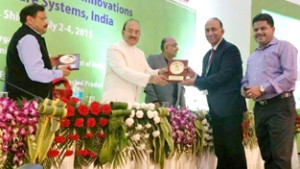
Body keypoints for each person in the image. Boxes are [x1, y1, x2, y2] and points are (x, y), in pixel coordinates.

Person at [182, 18, 247, 169]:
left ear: (222, 31)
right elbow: (208, 81)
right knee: (221, 152)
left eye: (213, 29)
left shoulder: (230, 50)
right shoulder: (207, 56)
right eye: (207, 30)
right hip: (216, 111)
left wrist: (195, 82)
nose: (210, 33)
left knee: (234, 152)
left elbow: (223, 77)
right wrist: (195, 76)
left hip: (230, 110)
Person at [241, 13, 297, 169]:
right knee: (267, 156)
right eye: (256, 29)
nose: (259, 32)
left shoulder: (285, 47)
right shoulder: (253, 57)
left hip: (280, 106)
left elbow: (290, 76)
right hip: (260, 109)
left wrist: (262, 88)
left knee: (280, 158)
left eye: (263, 28)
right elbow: (245, 80)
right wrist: (244, 90)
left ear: (273, 29)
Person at [5, 4, 71, 100]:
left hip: (26, 101)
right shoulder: (29, 38)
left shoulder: (28, 35)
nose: (46, 23)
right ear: (30, 20)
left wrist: (48, 63)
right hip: (26, 104)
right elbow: (36, 73)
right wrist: (60, 73)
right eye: (42, 19)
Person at [101, 18, 168, 104]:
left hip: (133, 104)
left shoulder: (140, 53)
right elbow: (123, 71)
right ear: (123, 32)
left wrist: (158, 72)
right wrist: (150, 79)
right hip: (114, 102)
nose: (133, 34)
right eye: (130, 31)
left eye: (137, 32)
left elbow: (146, 71)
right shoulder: (114, 49)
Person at [144, 37, 186, 108]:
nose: (177, 48)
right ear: (166, 47)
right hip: (155, 108)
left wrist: (183, 108)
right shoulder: (153, 59)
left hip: (174, 110)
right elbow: (147, 81)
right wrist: (154, 101)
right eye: (174, 46)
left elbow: (181, 88)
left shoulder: (178, 65)